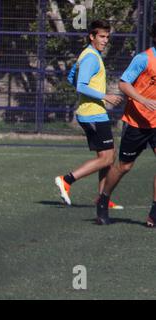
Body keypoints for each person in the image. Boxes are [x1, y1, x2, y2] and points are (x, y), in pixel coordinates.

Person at [55, 20, 123, 210]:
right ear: (92, 37)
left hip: (95, 113)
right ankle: (66, 180)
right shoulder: (91, 57)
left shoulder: (88, 55)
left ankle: (102, 198)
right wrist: (105, 96)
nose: (105, 40)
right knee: (107, 158)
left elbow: (72, 78)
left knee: (109, 155)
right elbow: (80, 85)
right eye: (101, 36)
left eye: (107, 37)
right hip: (93, 114)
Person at [96, 23, 156, 225]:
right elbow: (123, 83)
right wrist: (143, 100)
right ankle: (103, 199)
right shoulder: (144, 58)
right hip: (137, 122)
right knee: (124, 166)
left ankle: (154, 213)